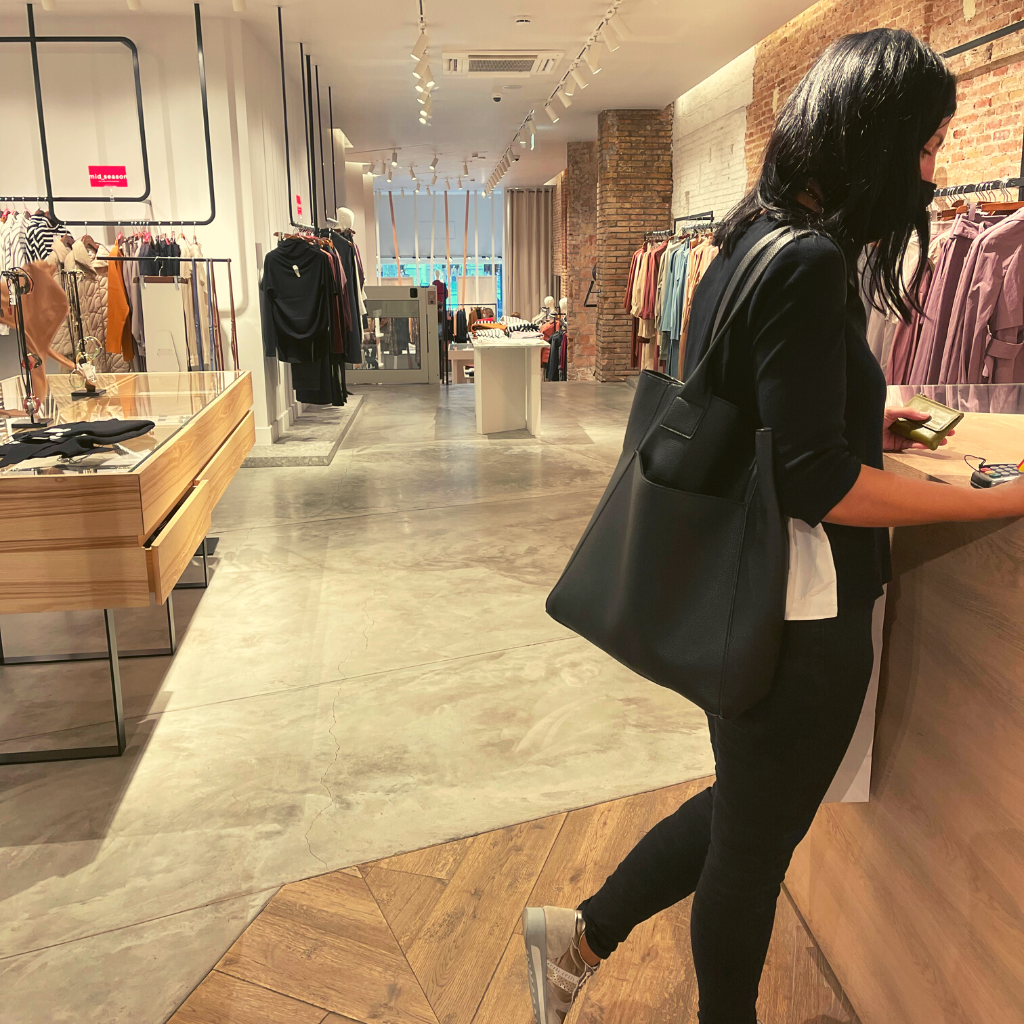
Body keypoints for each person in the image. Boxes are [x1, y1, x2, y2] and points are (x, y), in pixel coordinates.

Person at [522, 28, 1024, 1024]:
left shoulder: (750, 237)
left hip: (754, 597)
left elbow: (763, 406)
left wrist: (870, 418)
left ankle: (576, 935)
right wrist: (995, 498)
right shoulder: (809, 262)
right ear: (875, 140)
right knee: (753, 849)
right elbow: (814, 483)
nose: (931, 174)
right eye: (926, 146)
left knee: (749, 815)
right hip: (796, 609)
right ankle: (601, 949)